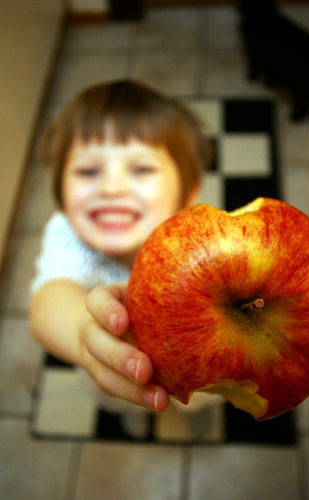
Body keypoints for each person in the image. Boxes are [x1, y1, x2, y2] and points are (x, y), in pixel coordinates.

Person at [29, 79, 212, 417]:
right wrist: (83, 334)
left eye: (141, 169)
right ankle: (133, 414)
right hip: (108, 372)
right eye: (88, 171)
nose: (112, 187)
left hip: (198, 373)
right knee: (124, 404)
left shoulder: (205, 241)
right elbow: (48, 302)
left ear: (187, 194)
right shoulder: (67, 234)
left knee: (188, 403)